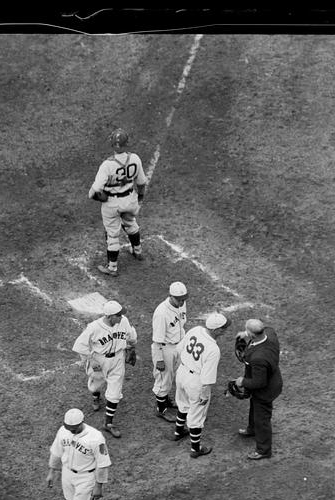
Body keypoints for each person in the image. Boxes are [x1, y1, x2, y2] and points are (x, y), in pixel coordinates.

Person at [72, 300, 138, 439]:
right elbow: (79, 346)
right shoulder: (94, 327)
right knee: (95, 385)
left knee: (115, 392)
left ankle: (108, 423)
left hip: (118, 359)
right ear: (109, 316)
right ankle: (95, 396)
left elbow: (131, 337)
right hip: (99, 360)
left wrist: (132, 347)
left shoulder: (123, 321)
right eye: (118, 315)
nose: (121, 317)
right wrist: (91, 359)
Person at [87, 128, 148, 277]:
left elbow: (93, 192)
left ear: (112, 145)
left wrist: (102, 198)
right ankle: (137, 250)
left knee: (112, 234)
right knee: (131, 223)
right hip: (130, 200)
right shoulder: (135, 158)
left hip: (112, 204)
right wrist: (139, 198)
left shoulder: (107, 165)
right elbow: (141, 183)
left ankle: (112, 267)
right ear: (127, 144)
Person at [47, 408, 112, 500]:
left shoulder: (96, 437)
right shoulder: (63, 431)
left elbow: (103, 463)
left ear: (82, 422)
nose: (71, 431)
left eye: (74, 428)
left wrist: (99, 486)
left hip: (86, 477)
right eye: (68, 428)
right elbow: (56, 452)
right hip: (67, 473)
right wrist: (52, 471)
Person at [171, 313, 229, 458]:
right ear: (215, 330)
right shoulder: (213, 349)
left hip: (182, 372)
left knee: (182, 404)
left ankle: (178, 432)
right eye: (223, 328)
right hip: (196, 381)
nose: (224, 331)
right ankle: (195, 449)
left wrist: (179, 370)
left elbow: (178, 350)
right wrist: (205, 392)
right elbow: (208, 376)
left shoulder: (196, 330)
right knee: (197, 414)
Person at [233, 319, 283, 460]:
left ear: (252, 335)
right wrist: (246, 333)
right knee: (255, 407)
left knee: (262, 419)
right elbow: (268, 327)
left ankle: (263, 450)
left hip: (266, 390)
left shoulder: (258, 358)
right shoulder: (270, 335)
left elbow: (259, 382)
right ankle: (252, 428)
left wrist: (242, 381)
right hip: (273, 380)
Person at [151, 281, 189, 423]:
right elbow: (157, 340)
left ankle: (165, 400)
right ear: (170, 296)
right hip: (164, 348)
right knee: (163, 379)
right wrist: (159, 359)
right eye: (178, 299)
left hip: (179, 345)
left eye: (183, 299)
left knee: (175, 374)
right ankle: (161, 410)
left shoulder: (182, 303)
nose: (181, 302)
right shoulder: (161, 313)